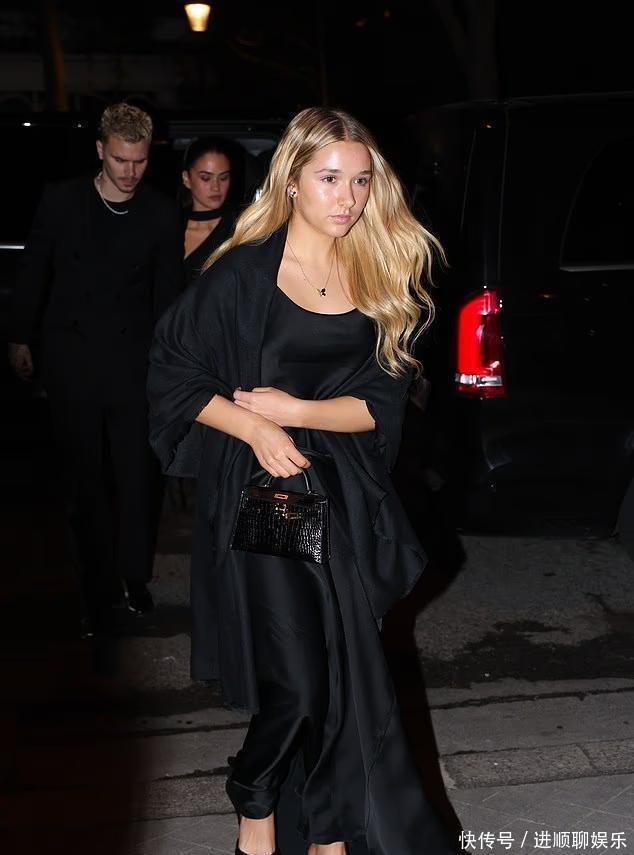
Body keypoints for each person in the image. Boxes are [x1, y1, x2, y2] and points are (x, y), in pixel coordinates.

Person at [147, 107, 455, 855]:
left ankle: (327, 833)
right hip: (270, 497)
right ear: (291, 180)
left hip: (343, 498)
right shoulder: (245, 275)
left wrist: (295, 409)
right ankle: (256, 807)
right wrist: (256, 427)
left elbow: (379, 407)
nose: (347, 198)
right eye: (329, 179)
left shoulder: (376, 272)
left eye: (360, 181)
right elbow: (173, 375)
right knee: (301, 682)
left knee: (344, 674)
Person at [8, 102, 183, 633]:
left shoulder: (160, 212)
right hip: (73, 361)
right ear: (101, 150)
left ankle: (133, 577)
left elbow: (166, 296)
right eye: (121, 160)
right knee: (84, 481)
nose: (130, 172)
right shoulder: (62, 200)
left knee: (136, 478)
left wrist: (168, 365)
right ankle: (95, 585)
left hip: (133, 365)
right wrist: (20, 334)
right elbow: (34, 268)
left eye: (140, 161)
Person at [181, 136, 238, 285]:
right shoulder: (168, 222)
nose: (216, 187)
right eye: (206, 178)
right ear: (186, 178)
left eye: (223, 178)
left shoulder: (240, 228)